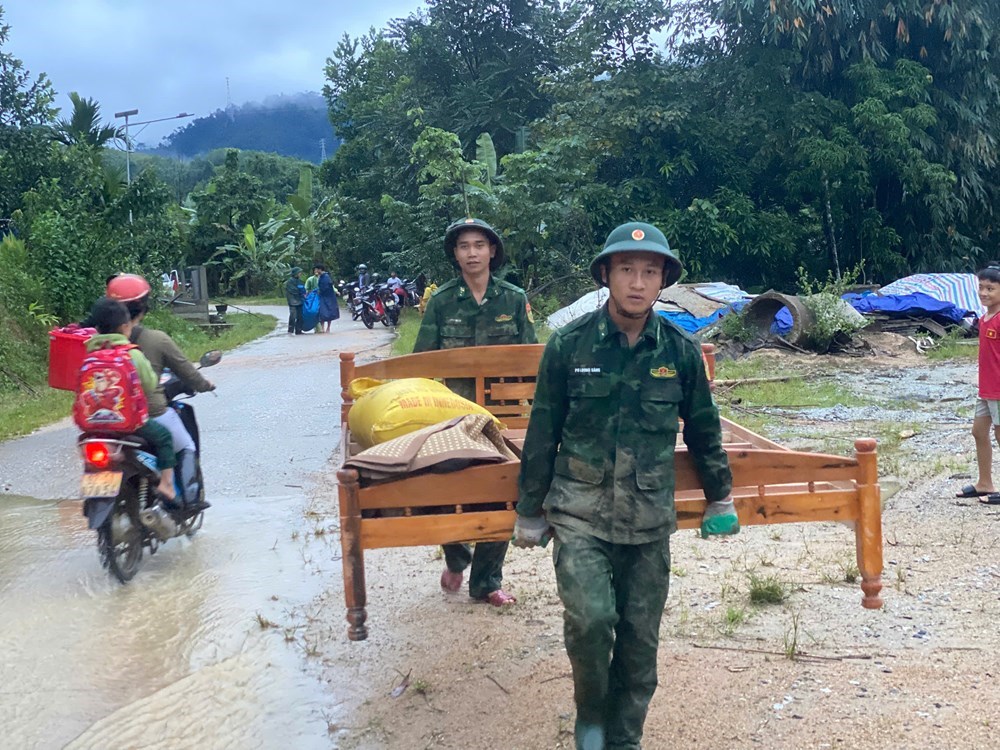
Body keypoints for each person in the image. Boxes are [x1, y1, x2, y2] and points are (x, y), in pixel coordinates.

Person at [512, 221, 740, 750]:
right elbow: (543, 429)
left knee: (640, 643)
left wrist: (720, 496)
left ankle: (625, 737)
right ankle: (590, 714)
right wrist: (529, 509)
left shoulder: (680, 351)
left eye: (650, 272)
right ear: (607, 276)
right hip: (580, 511)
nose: (638, 282)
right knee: (592, 621)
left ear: (663, 281)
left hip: (648, 518)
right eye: (627, 270)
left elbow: (704, 429)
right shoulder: (569, 345)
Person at [414, 217, 537, 606]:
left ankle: (486, 583)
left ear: (492, 251)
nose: (472, 253)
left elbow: (530, 358)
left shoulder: (514, 299)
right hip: (452, 415)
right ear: (455, 254)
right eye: (464, 246)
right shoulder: (442, 301)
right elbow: (422, 362)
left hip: (502, 416)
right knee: (446, 489)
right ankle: (456, 554)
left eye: (479, 245)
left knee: (503, 490)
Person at [107, 274, 215, 512]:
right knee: (186, 445)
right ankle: (189, 498)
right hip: (147, 415)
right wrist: (206, 385)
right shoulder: (154, 340)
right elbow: (187, 373)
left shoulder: (95, 342)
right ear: (143, 308)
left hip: (103, 421)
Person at [85, 297, 177, 501]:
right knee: (164, 438)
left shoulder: (89, 355)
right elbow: (150, 383)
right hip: (128, 424)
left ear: (97, 328)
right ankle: (167, 485)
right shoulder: (131, 355)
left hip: (93, 427)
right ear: (126, 326)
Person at [957, 262, 1000, 502]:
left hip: (999, 389)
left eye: (990, 288)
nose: (984, 293)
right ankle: (985, 483)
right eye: (981, 288)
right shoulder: (984, 319)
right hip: (986, 388)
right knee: (978, 432)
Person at [316, 264, 340, 332]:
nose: (316, 271)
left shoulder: (326, 277)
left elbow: (327, 286)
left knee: (330, 311)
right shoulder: (320, 277)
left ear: (320, 269)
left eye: (317, 269)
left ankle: (328, 328)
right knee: (322, 312)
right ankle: (323, 327)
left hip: (328, 296)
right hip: (323, 296)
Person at [285, 266, 305, 335]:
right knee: (293, 316)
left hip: (300, 300)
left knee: (300, 316)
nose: (300, 274)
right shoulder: (290, 281)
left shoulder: (299, 281)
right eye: (299, 272)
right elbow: (293, 290)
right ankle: (290, 330)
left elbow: (303, 288)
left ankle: (298, 330)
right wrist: (300, 290)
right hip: (292, 301)